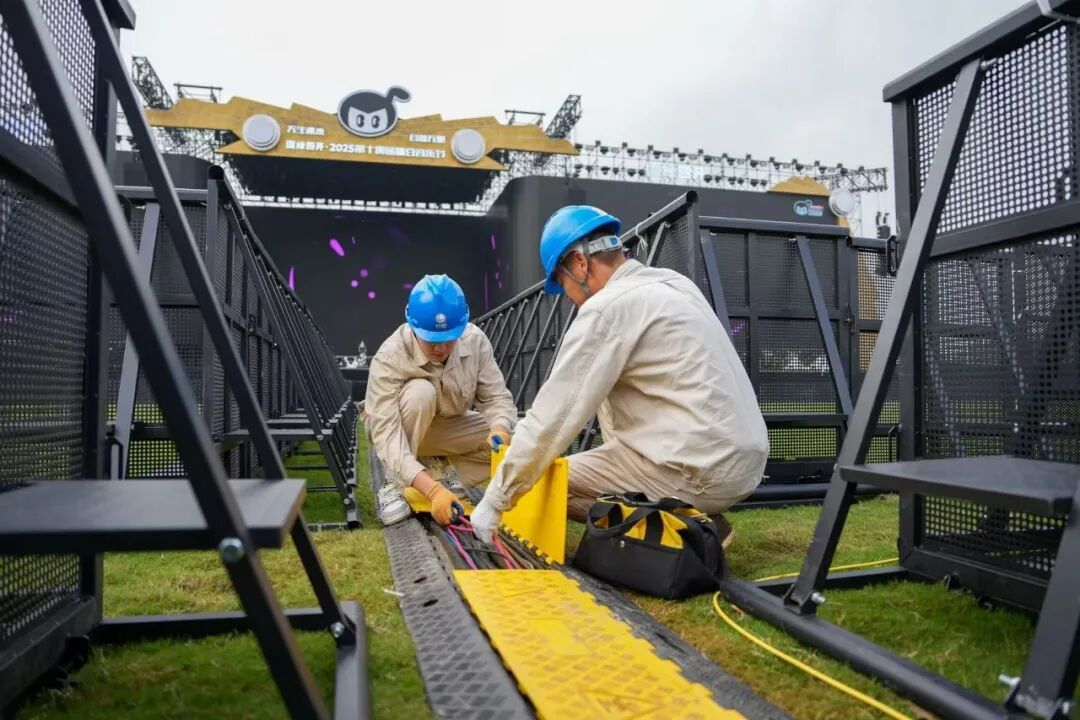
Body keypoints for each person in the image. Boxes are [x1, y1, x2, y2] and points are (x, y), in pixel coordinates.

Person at [471, 205, 768, 546]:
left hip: (697, 471)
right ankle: (705, 519)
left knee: (541, 481)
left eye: (562, 283)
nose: (568, 297)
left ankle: (685, 528)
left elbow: (555, 416)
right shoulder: (674, 284)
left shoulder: (607, 307)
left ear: (580, 264)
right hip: (743, 464)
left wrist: (496, 499)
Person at [365, 274, 516, 526]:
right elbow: (387, 435)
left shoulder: (475, 341)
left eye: (448, 339)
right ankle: (395, 482)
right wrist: (432, 492)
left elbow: (496, 398)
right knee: (420, 394)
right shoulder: (390, 356)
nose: (440, 348)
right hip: (403, 435)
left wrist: (499, 427)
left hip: (448, 431)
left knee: (519, 438)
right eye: (432, 340)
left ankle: (445, 470)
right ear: (412, 327)